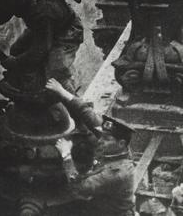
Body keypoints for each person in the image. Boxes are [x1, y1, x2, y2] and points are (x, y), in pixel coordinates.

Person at [46, 79, 135, 216]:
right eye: (103, 136)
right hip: (99, 199)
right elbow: (86, 112)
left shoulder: (118, 173)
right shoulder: (117, 146)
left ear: (121, 143)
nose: (100, 140)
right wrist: (62, 91)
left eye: (106, 139)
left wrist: (66, 155)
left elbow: (78, 188)